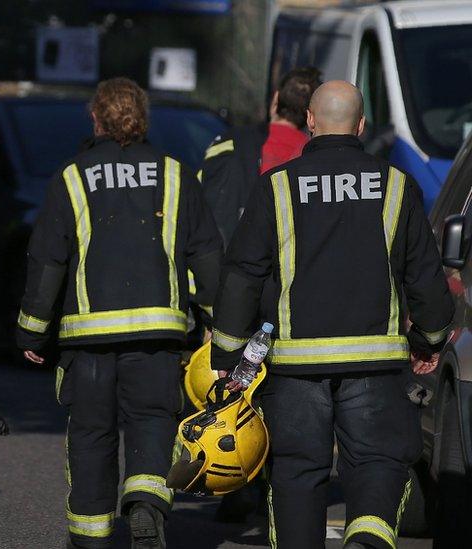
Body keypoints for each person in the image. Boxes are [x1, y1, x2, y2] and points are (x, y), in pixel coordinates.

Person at [211, 81, 454, 549]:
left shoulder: (276, 186)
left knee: (297, 472)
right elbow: (426, 277)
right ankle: (365, 539)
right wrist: (429, 339)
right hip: (376, 367)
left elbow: (242, 274)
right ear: (361, 126)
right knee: (378, 464)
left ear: (310, 121)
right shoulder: (398, 186)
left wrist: (226, 351)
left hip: (296, 370)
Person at [16, 77, 223, 549]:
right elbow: (207, 256)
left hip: (88, 344)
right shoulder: (177, 175)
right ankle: (146, 506)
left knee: (91, 436)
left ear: (95, 118)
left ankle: (91, 537)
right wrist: (217, 324)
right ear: (142, 119)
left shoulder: (71, 177)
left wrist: (32, 333)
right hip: (158, 339)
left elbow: (48, 261)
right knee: (153, 423)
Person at [200, 66, 322, 244]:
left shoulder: (230, 141)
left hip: (225, 255)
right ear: (311, 115)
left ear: (275, 99)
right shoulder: (314, 156)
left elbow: (201, 189)